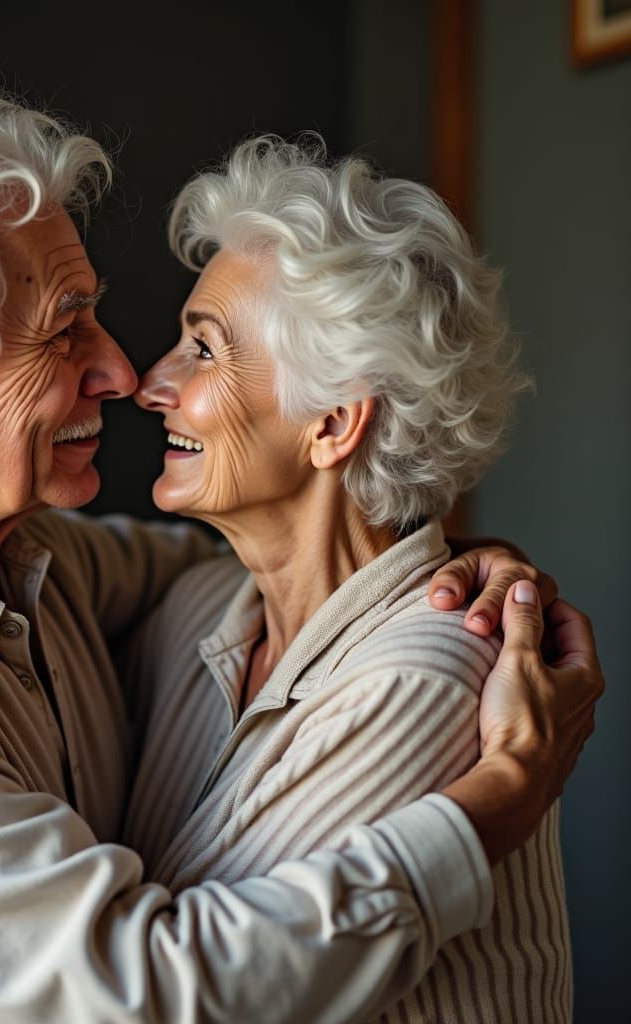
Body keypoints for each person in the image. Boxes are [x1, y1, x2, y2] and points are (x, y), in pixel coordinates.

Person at [0, 85, 602, 1023]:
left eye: (201, 348)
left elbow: (323, 578)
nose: (122, 372)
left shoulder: (40, 569)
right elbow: (142, 997)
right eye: (63, 325)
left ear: (334, 420)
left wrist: (465, 561)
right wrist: (505, 791)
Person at [119, 136, 578, 1022]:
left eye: (204, 351)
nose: (150, 383)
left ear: (333, 422)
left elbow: (188, 994)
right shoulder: (195, 611)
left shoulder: (433, 677)